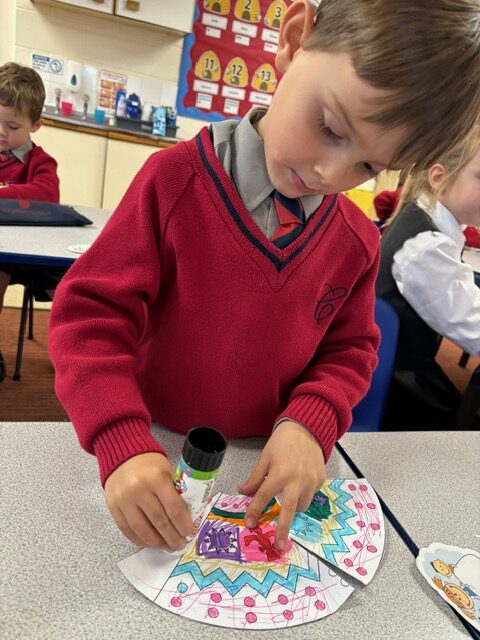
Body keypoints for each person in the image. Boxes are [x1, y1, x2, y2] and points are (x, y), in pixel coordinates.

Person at [48, 0, 480, 553]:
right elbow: (90, 316)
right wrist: (120, 439)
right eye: (329, 127)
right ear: (295, 39)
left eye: (368, 168)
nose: (330, 174)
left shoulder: (355, 239)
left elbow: (349, 351)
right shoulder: (172, 182)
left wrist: (308, 422)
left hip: (267, 469)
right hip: (151, 450)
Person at [377, 128, 480, 429]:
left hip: (399, 373)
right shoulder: (425, 248)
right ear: (438, 177)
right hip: (390, 390)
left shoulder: (427, 224)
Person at [0, 61, 60, 382]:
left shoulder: (40, 161)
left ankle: (68, 350)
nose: (1, 133)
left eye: (12, 127)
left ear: (36, 124)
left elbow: (47, 194)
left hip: (25, 255)